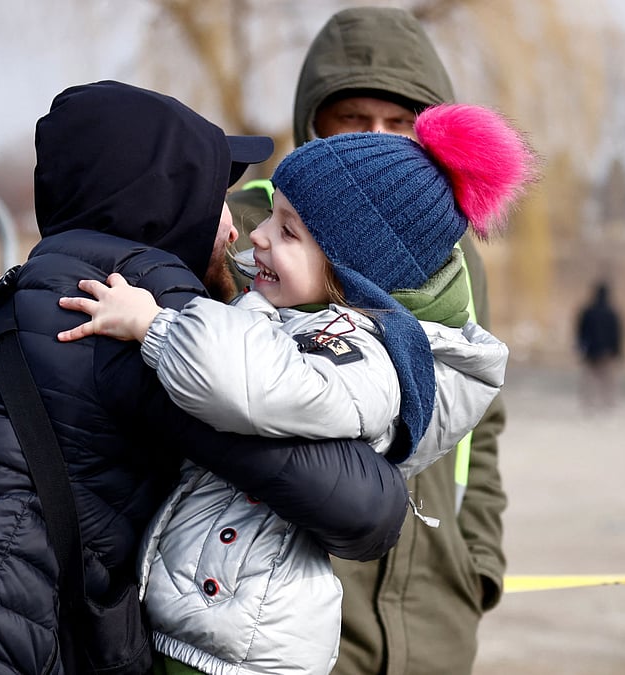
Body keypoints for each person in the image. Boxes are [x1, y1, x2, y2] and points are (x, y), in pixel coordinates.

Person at [0, 81, 411, 675]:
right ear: (167, 204)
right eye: (215, 198)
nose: (236, 228)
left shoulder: (16, 302)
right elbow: (365, 509)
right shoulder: (136, 322)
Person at [58, 102, 532, 675]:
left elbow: (245, 383)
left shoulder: (364, 357)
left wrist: (153, 324)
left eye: (287, 230)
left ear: (349, 269)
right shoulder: (319, 329)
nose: (257, 234)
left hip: (242, 643)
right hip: (216, 617)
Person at [224, 7, 514, 673]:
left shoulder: (455, 258)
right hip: (298, 619)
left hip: (436, 619)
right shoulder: (250, 230)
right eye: (354, 119)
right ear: (314, 124)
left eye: (402, 121)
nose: (381, 138)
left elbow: (483, 426)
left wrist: (479, 563)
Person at [576, 280, 624, 411]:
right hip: (607, 353)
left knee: (590, 381)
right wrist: (618, 352)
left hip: (590, 352)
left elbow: (581, 333)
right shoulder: (612, 313)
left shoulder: (587, 312)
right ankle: (607, 405)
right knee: (607, 381)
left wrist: (580, 349)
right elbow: (617, 335)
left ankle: (589, 405)